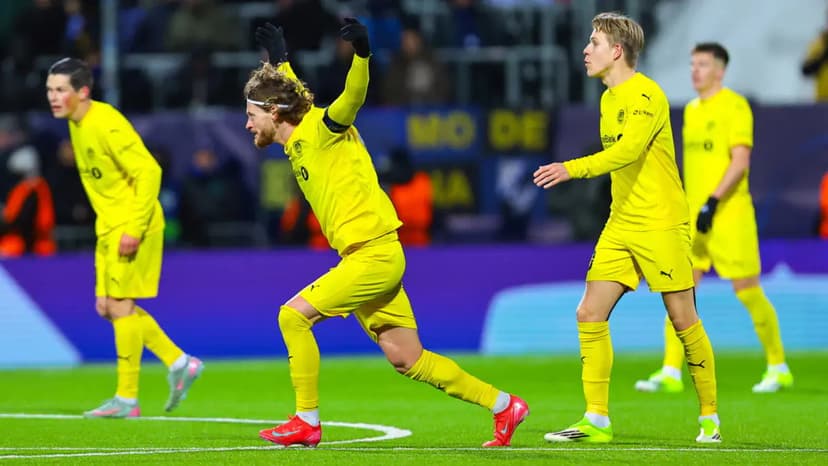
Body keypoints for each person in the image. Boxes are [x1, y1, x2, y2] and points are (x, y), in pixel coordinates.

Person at [246, 20, 528, 448]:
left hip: (372, 257)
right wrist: (280, 60)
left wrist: (362, 55)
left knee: (292, 316)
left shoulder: (322, 130)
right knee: (407, 358)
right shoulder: (298, 134)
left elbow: (352, 96)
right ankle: (504, 405)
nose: (248, 125)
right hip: (371, 256)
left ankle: (306, 420)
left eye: (251, 116)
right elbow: (291, 97)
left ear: (273, 114)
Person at [533, 12, 721, 443]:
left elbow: (628, 151)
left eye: (595, 43)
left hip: (661, 223)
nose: (586, 50)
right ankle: (596, 419)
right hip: (621, 223)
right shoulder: (607, 99)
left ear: (617, 51)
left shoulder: (646, 94)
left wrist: (571, 168)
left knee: (683, 319)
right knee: (588, 312)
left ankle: (710, 416)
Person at [46, 57, 204, 418]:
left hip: (133, 223)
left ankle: (127, 399)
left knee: (119, 305)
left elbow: (149, 170)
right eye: (50, 90)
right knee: (106, 307)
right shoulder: (76, 122)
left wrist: (134, 227)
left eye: (60, 90)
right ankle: (179, 362)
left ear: (83, 92)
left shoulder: (106, 123)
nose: (53, 97)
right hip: (109, 224)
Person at [635, 43, 793, 395]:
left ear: (720, 71)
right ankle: (671, 370)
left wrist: (713, 201)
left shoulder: (735, 106)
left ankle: (778, 365)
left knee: (747, 290)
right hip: (693, 217)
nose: (695, 71)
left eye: (703, 64)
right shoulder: (691, 111)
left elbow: (740, 161)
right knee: (679, 290)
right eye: (692, 64)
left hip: (729, 214)